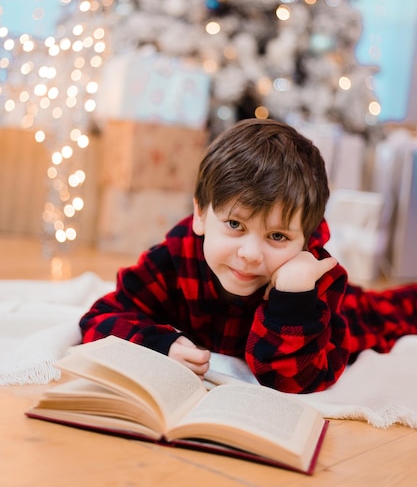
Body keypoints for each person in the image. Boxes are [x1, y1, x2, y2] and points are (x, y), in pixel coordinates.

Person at [79, 118, 417, 394]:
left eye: (278, 236)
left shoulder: (314, 279)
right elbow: (100, 319)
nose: (251, 254)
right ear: (200, 215)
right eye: (235, 225)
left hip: (351, 314)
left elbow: (297, 381)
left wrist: (292, 300)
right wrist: (158, 344)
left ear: (305, 239)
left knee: (392, 310)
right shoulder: (172, 258)